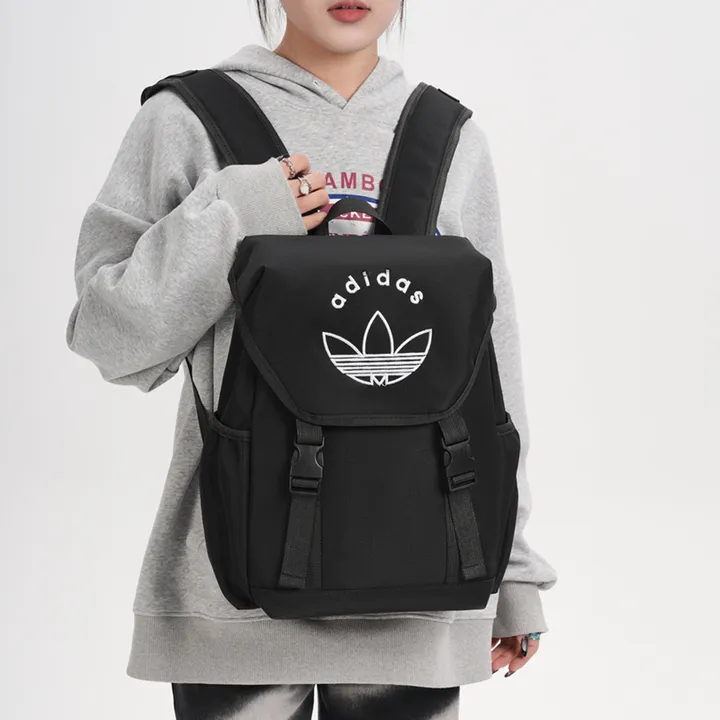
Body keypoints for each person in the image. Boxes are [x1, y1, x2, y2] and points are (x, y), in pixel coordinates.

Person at [65, 1, 558, 717]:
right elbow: (108, 336)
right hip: (234, 600)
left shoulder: (451, 140)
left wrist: (512, 570)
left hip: (422, 590)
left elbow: (491, 369)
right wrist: (236, 215)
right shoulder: (186, 121)